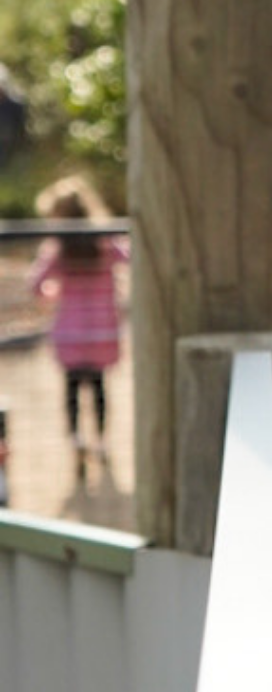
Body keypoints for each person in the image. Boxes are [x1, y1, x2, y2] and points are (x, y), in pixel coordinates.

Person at [28, 176, 130, 482]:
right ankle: (100, 440)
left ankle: (76, 442)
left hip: (70, 330)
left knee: (71, 390)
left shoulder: (58, 248)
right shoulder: (105, 241)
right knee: (98, 388)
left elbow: (36, 283)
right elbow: (131, 258)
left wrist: (52, 294)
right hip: (101, 329)